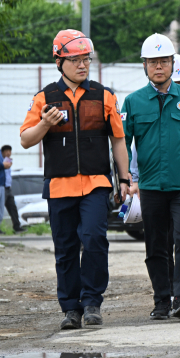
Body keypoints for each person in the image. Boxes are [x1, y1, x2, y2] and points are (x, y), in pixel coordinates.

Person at [20, 29, 129, 329]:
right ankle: (71, 308)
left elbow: (118, 140)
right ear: (59, 62)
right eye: (75, 60)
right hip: (59, 186)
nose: (83, 65)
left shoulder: (104, 96)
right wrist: (44, 123)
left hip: (96, 184)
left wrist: (124, 178)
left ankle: (92, 301)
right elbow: (26, 140)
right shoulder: (44, 98)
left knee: (94, 239)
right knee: (65, 247)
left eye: (86, 59)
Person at [123, 34, 180, 320]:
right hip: (150, 186)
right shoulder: (133, 102)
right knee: (155, 244)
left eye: (164, 61)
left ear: (173, 64)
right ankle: (161, 299)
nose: (159, 67)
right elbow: (123, 144)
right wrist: (125, 179)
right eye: (153, 62)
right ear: (144, 66)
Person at [0, 145, 24, 233]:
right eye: (6, 151)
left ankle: (17, 226)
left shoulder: (8, 161)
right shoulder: (0, 163)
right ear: (2, 152)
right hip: (1, 188)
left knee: (13, 208)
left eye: (9, 151)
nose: (8, 153)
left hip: (8, 189)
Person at [0, 145, 11, 237]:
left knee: (0, 212)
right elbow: (1, 164)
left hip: (1, 184)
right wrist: (3, 165)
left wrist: (7, 163)